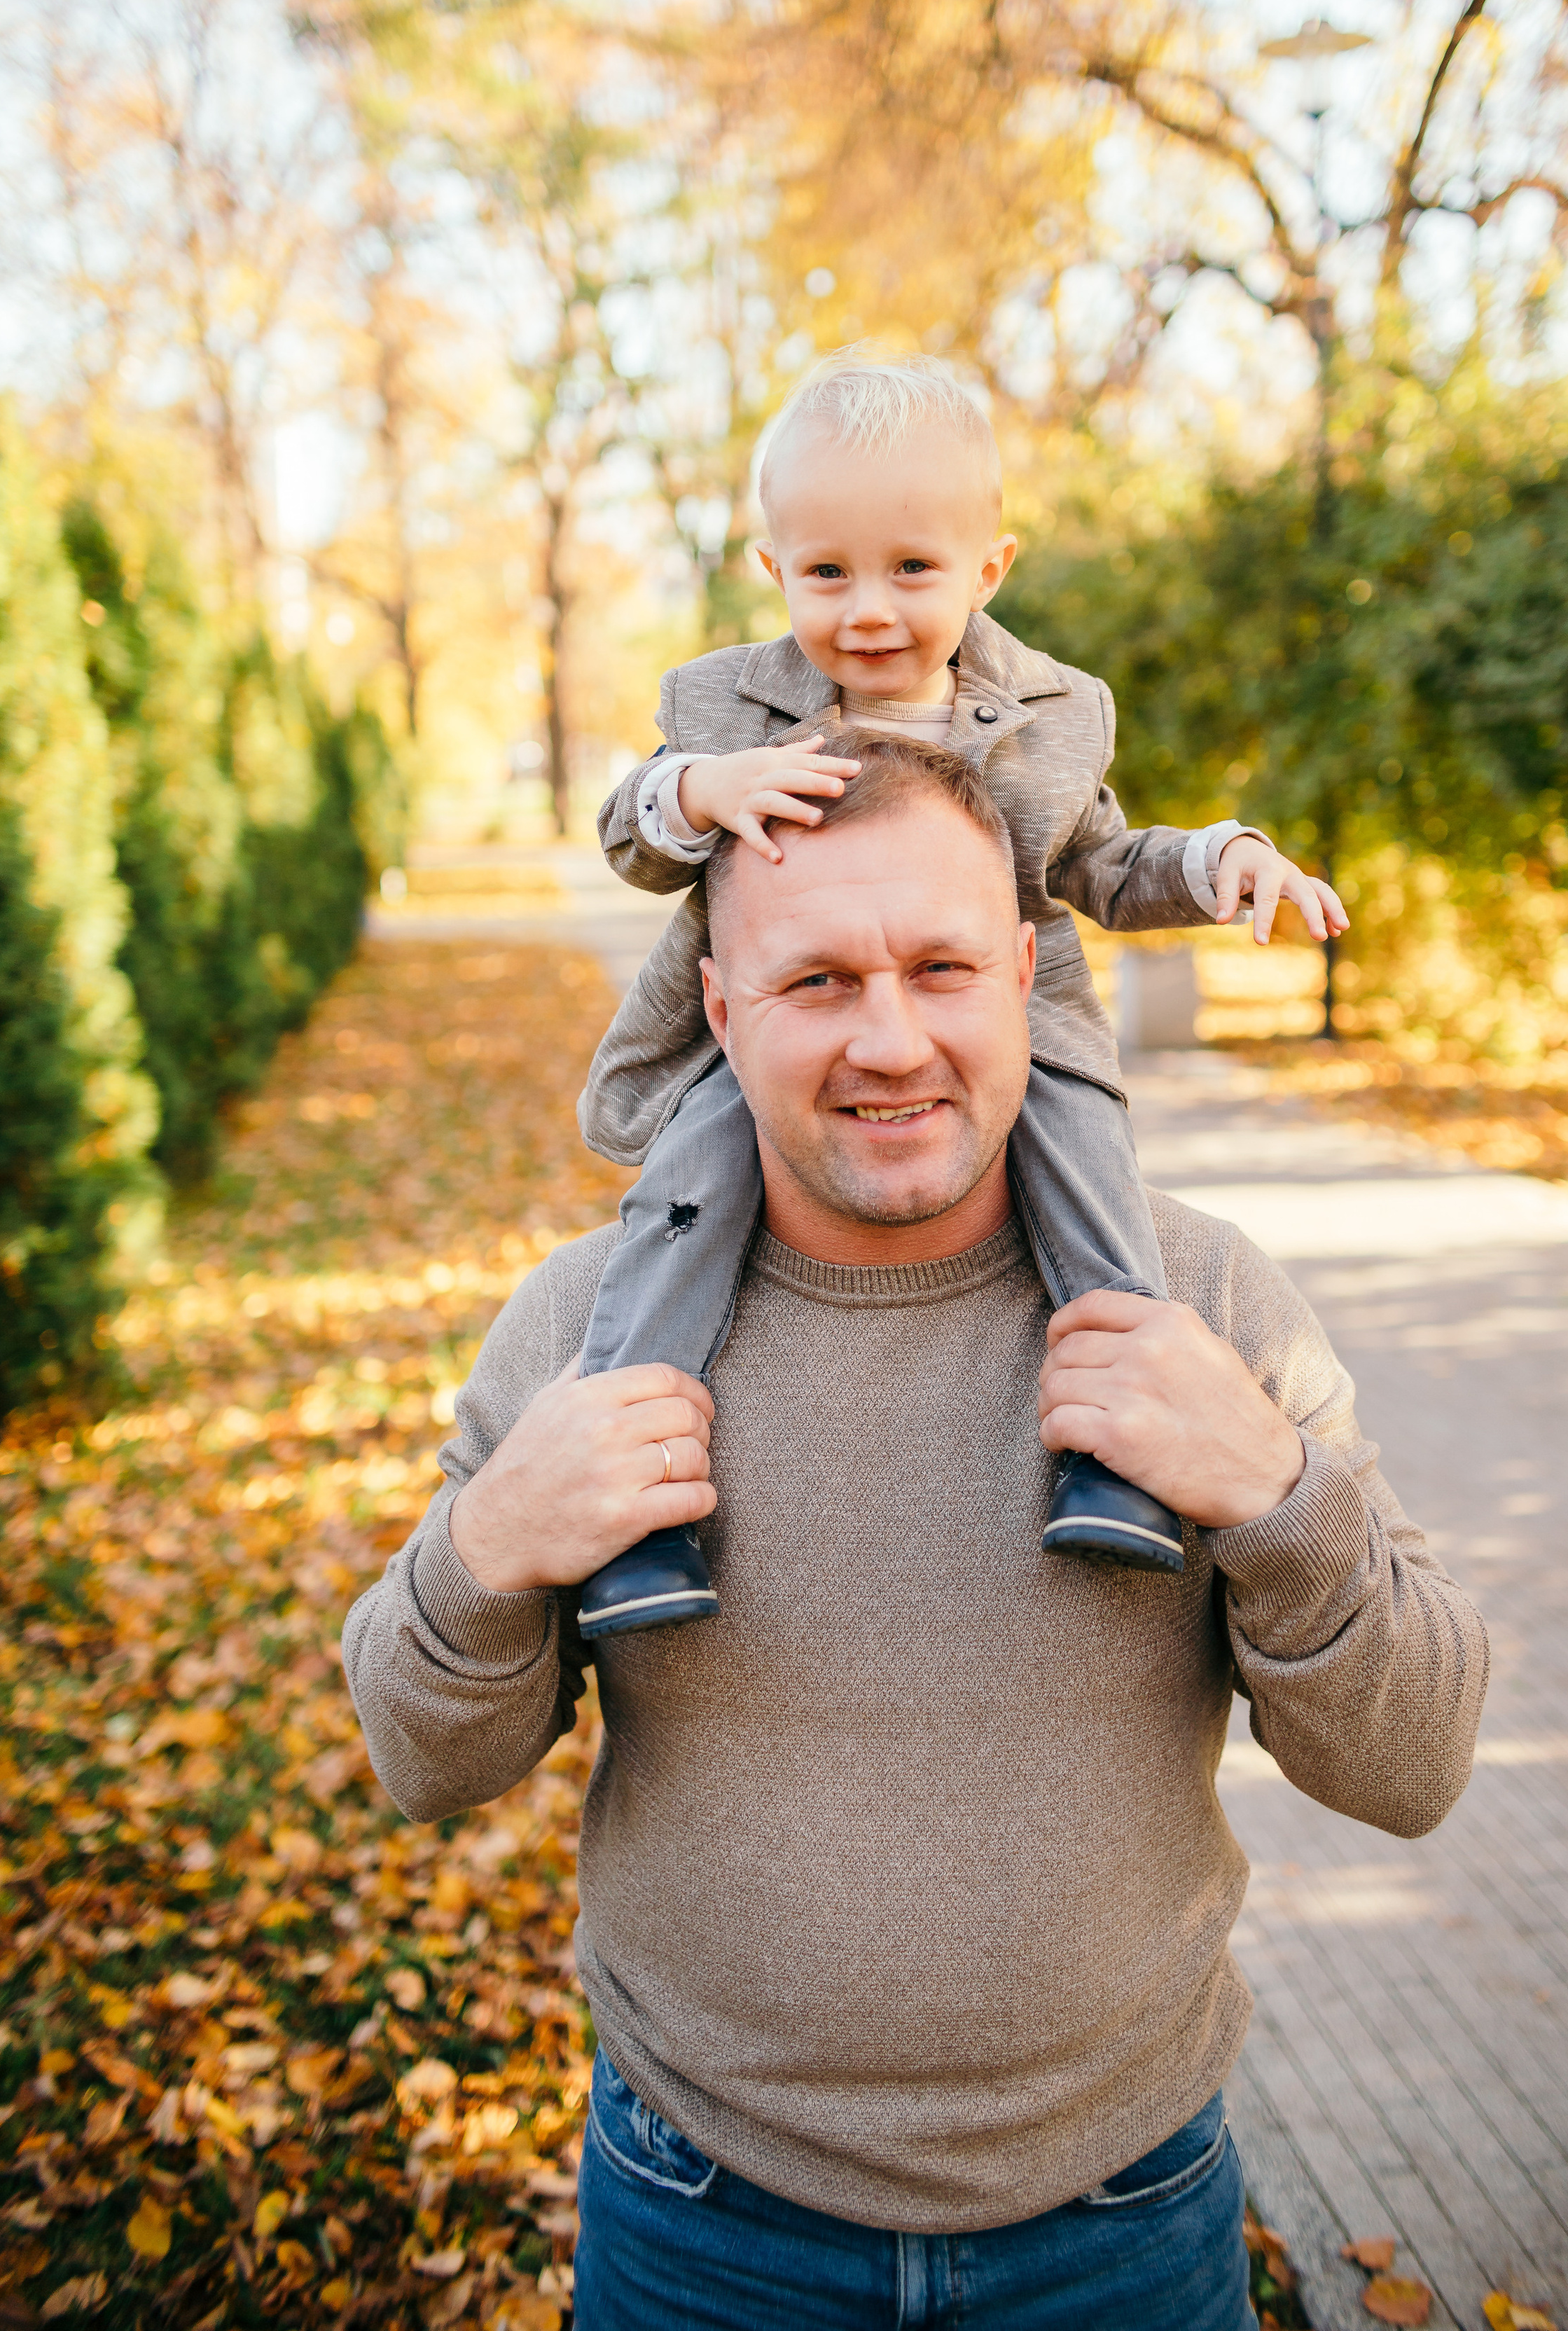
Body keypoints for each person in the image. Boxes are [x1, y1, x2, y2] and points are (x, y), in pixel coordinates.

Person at [342, 737, 1488, 2331]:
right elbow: (419, 1758)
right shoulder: (589, 1331)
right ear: (720, 1012)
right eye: (816, 981)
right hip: (702, 2230)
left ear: (1024, 974)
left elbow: (1414, 1764)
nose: (891, 1042)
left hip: (1121, 2228)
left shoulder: (1201, 1302)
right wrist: (487, 1550)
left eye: (941, 967)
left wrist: (1275, 1494)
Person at [574, 347, 1349, 1639]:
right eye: (826, 572)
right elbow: (629, 833)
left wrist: (1222, 861)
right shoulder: (726, 707)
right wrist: (703, 793)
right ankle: (635, 1507)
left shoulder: (1050, 716)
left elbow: (1100, 865)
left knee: (1096, 1189)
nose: (868, 609)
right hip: (775, 1024)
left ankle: (1117, 1460)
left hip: (1012, 1011)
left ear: (989, 567)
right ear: (775, 571)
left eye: (912, 569)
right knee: (685, 1203)